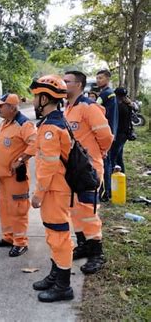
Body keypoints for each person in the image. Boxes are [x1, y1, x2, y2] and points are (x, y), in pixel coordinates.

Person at [29, 75, 74, 302]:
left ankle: (63, 286)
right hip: (55, 189)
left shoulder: (51, 128)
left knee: (59, 236)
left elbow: (48, 164)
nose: (34, 100)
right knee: (52, 234)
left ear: (45, 98)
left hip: (54, 190)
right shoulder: (53, 122)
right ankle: (56, 275)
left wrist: (38, 194)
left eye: (36, 96)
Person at [63, 71, 113, 274]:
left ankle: (96, 253)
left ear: (78, 85)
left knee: (89, 210)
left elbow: (106, 136)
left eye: (66, 81)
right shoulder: (67, 108)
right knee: (75, 208)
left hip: (89, 169)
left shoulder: (89, 108)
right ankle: (83, 244)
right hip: (73, 169)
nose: (63, 84)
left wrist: (99, 154)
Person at [0, 93, 37, 257]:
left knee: (18, 210)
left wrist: (21, 159)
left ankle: (20, 242)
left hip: (16, 177)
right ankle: (9, 238)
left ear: (11, 107)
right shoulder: (5, 123)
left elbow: (35, 144)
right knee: (4, 208)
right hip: (3, 175)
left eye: (1, 106)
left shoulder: (24, 124)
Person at [95, 70, 118, 201]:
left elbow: (110, 116)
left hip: (106, 134)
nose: (98, 80)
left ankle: (105, 192)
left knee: (106, 163)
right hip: (106, 133)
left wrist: (111, 134)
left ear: (108, 79)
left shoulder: (108, 95)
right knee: (106, 162)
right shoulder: (103, 94)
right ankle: (106, 191)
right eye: (97, 78)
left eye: (101, 78)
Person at [110, 87, 133, 173]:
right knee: (119, 156)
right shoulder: (128, 105)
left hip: (119, 135)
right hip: (124, 134)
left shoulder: (120, 107)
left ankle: (113, 174)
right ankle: (122, 173)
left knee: (112, 157)